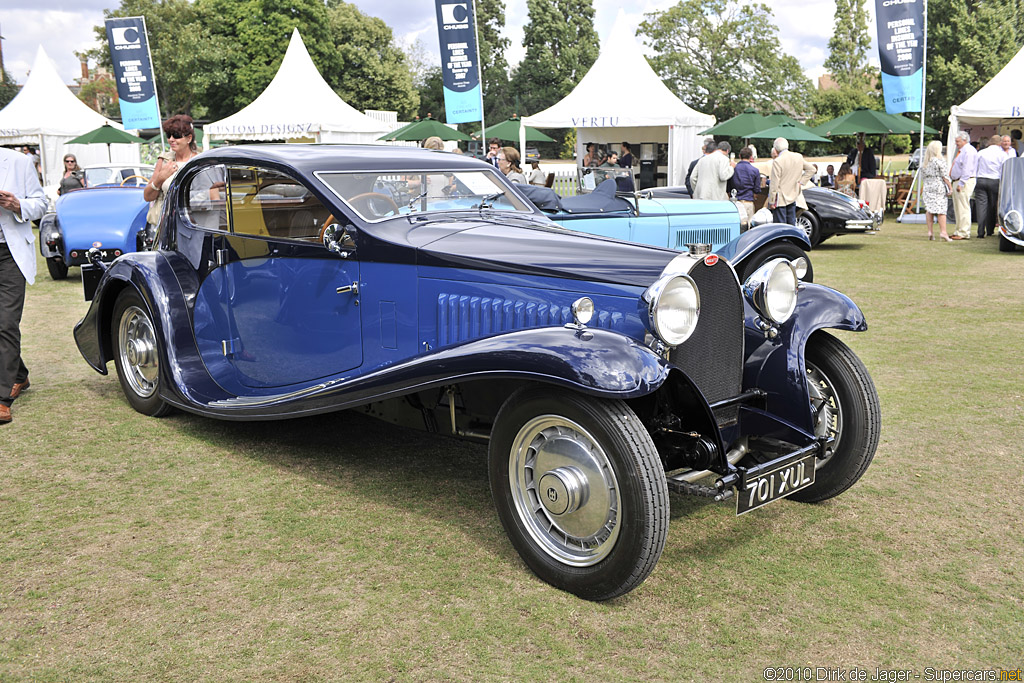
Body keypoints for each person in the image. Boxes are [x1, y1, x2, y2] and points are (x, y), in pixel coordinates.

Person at [0, 146, 47, 424]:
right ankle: (19, 374)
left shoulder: (19, 161)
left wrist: (17, 204)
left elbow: (41, 204)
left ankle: (3, 399)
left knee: (5, 322)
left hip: (10, 254)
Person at [143, 114, 201, 246]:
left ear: (189, 138)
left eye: (176, 135)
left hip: (192, 226)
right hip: (166, 227)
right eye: (168, 135)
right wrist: (160, 178)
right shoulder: (164, 159)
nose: (171, 139)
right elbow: (147, 196)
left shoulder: (199, 162)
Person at [767, 137, 815, 225]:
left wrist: (771, 201)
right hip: (793, 195)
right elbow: (812, 169)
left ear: (775, 148)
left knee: (780, 227)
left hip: (780, 198)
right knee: (791, 225)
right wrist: (801, 182)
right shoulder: (798, 157)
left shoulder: (778, 161)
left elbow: (774, 184)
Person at [920, 141, 953, 242]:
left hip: (928, 186)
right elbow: (945, 176)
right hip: (938, 186)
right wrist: (950, 187)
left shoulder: (925, 162)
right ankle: (943, 232)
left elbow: (923, 177)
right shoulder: (939, 161)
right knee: (941, 209)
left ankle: (930, 231)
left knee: (929, 209)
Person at [975, 134, 1006, 238]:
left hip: (981, 179)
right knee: (992, 206)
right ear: (1000, 143)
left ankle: (980, 231)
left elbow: (975, 166)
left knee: (981, 206)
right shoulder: (1002, 154)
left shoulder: (981, 153)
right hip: (995, 180)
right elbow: (1003, 170)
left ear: (990, 142)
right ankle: (990, 229)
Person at [948, 130, 978, 240]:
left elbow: (967, 168)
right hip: (959, 180)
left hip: (964, 181)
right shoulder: (963, 151)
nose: (956, 143)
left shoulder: (968, 151)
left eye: (958, 141)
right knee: (958, 208)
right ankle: (959, 230)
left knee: (963, 207)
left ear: (964, 140)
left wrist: (961, 183)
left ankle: (964, 232)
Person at [728, 146, 760, 228]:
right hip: (748, 201)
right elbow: (757, 189)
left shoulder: (733, 169)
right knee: (749, 227)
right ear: (751, 157)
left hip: (735, 202)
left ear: (739, 156)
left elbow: (728, 187)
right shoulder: (755, 171)